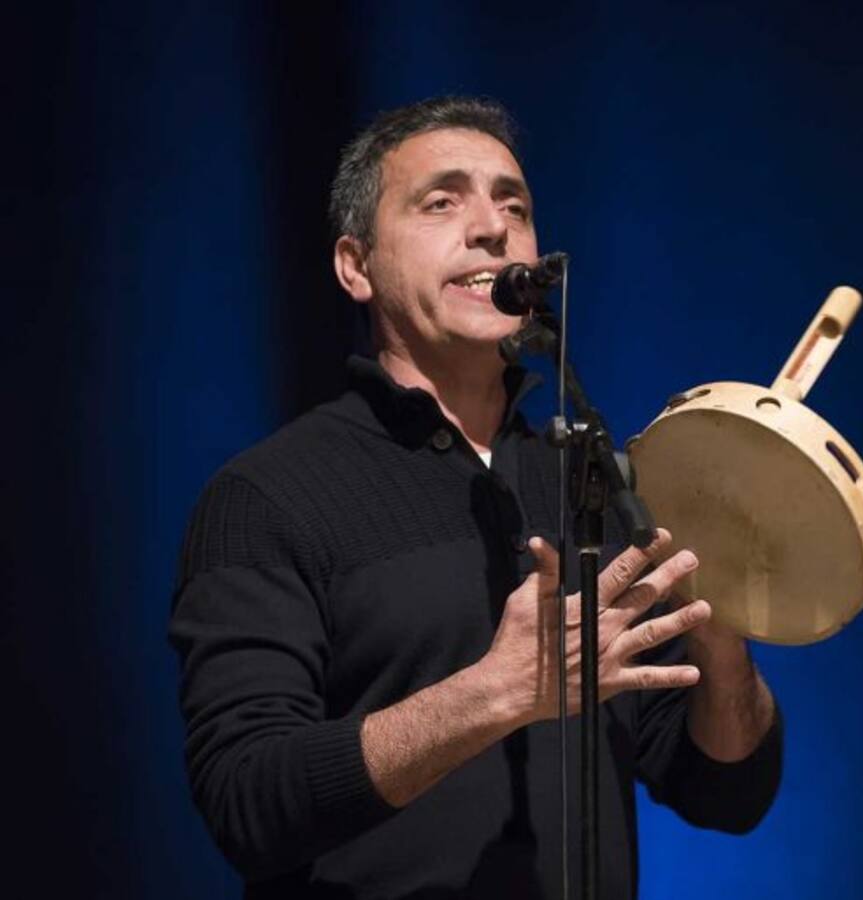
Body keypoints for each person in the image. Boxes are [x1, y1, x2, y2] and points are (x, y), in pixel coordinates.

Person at [168, 95, 782, 899]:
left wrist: (722, 632)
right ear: (355, 265)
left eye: (513, 206)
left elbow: (727, 793)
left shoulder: (590, 485)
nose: (492, 227)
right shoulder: (266, 496)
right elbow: (247, 802)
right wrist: (493, 695)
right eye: (441, 202)